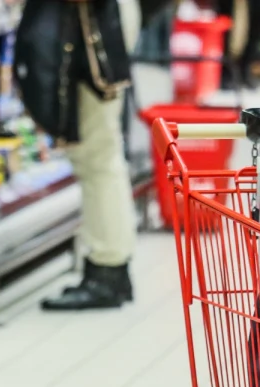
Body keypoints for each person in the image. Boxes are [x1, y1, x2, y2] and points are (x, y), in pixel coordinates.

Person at [41, 0, 171, 310]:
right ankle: (110, 267)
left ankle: (107, 271)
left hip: (97, 20)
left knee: (96, 152)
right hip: (103, 17)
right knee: (98, 150)